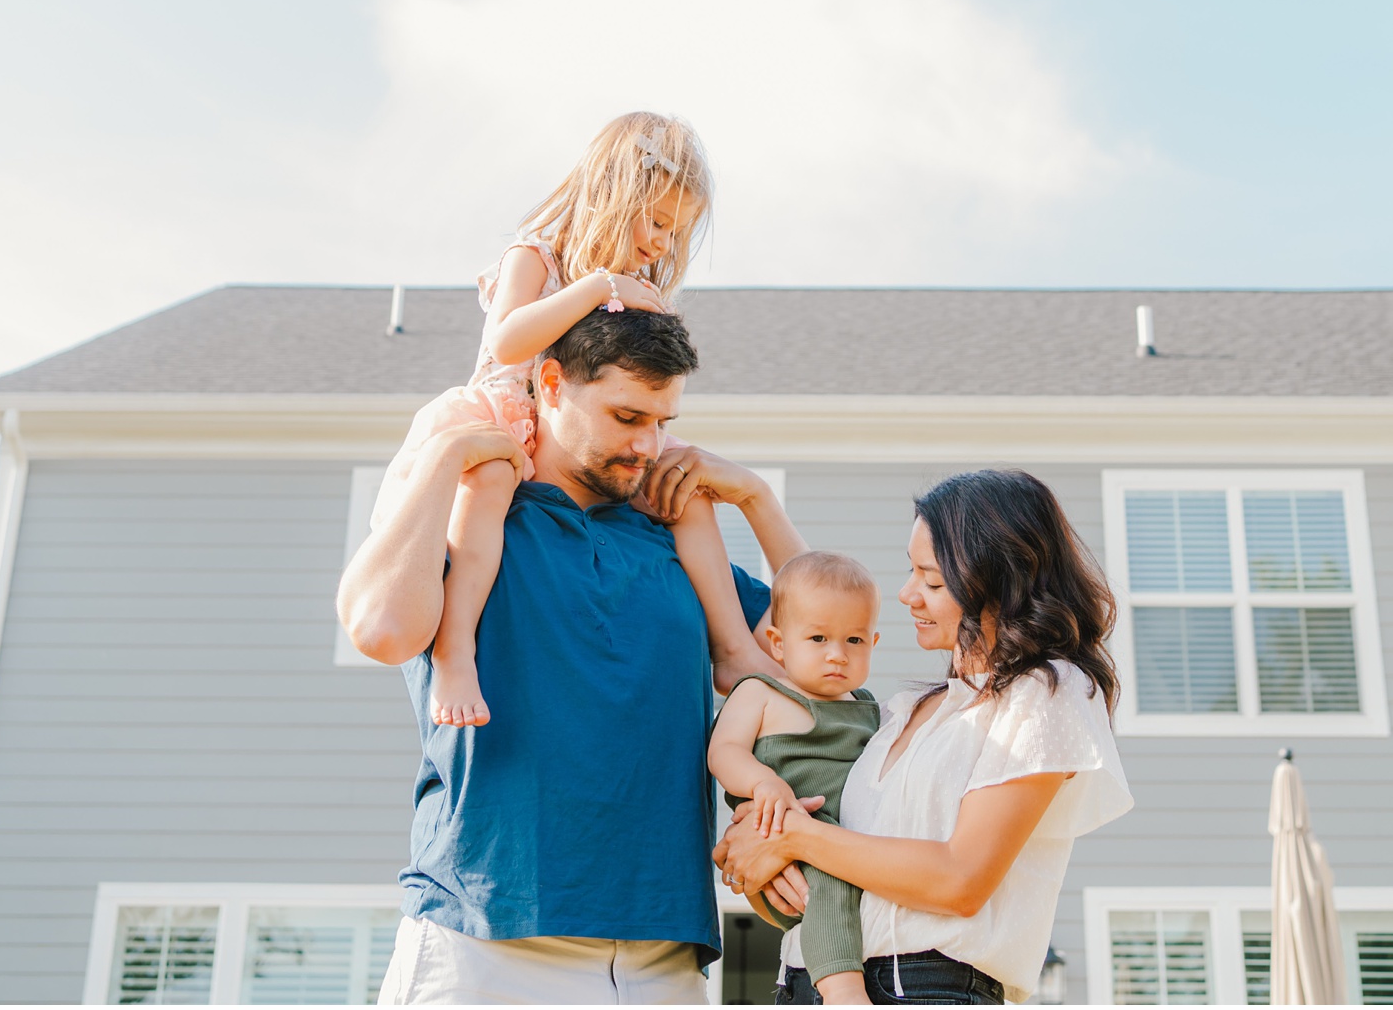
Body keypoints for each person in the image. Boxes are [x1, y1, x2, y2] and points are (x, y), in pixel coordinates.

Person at [338, 306, 805, 1004]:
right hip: (482, 940)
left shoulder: (679, 547)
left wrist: (756, 496)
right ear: (550, 384)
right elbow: (378, 628)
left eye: (663, 422)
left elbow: (822, 657)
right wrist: (443, 455)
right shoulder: (481, 522)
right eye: (626, 416)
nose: (648, 444)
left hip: (662, 956)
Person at [370, 110, 760, 727]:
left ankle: (735, 648)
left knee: (681, 485)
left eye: (676, 232)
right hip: (504, 419)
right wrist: (597, 287)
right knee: (489, 488)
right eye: (656, 220)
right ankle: (455, 648)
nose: (661, 242)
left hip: (574, 433)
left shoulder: (632, 285)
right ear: (612, 195)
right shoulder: (538, 257)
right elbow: (507, 342)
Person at [714, 471, 1133, 1006]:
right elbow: (808, 612)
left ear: (995, 584)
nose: (907, 593)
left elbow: (958, 880)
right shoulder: (904, 708)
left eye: (931, 580)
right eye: (911, 571)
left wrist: (791, 834)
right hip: (804, 981)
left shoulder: (1046, 692)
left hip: (925, 986)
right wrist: (759, 849)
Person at [707, 552, 886, 1006]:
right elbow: (723, 751)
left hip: (854, 841)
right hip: (794, 847)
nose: (836, 654)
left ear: (874, 642)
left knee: (851, 864)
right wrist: (763, 782)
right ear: (779, 643)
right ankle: (843, 992)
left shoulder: (869, 708)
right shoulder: (761, 692)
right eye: (818, 637)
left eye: (854, 639)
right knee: (836, 872)